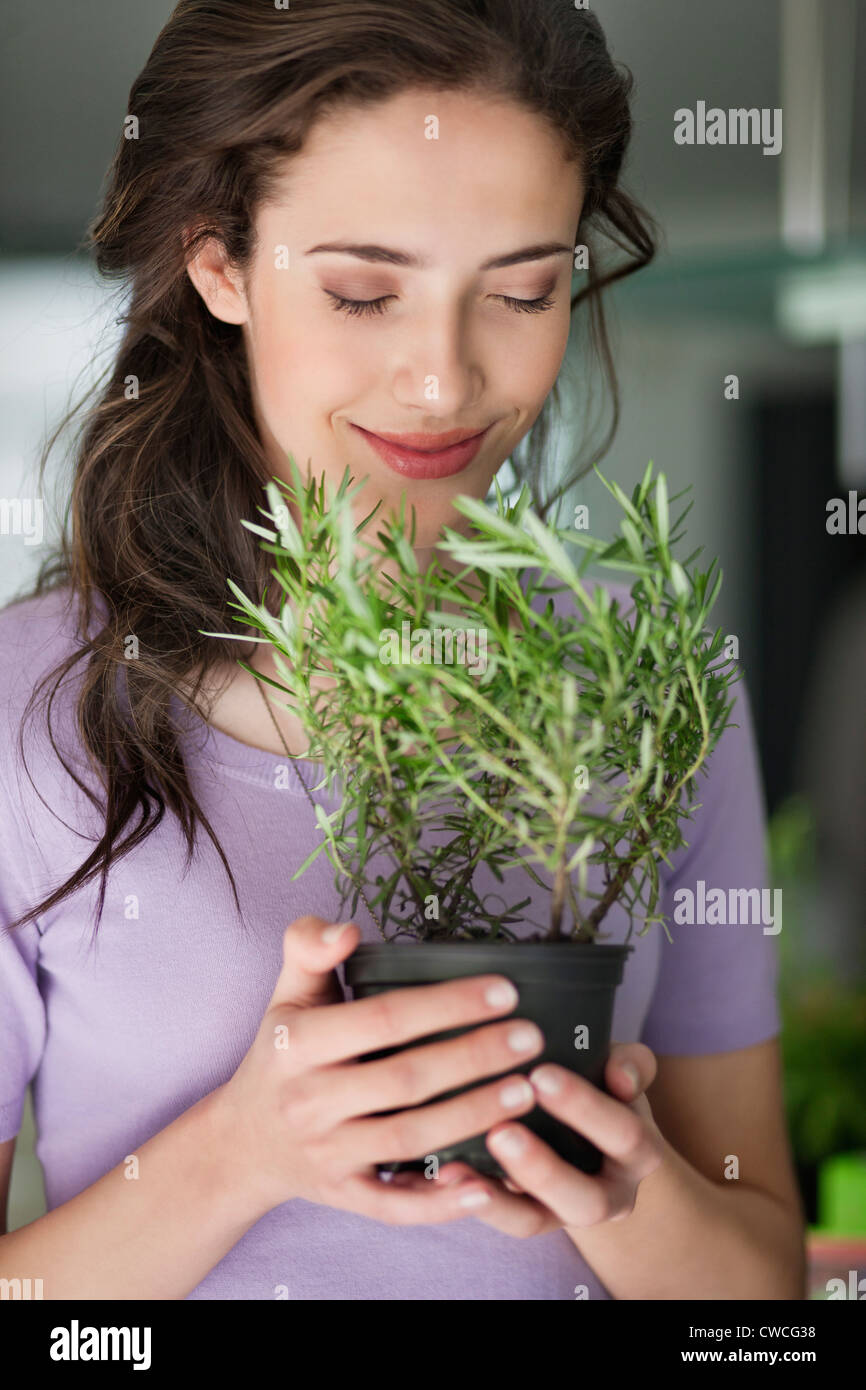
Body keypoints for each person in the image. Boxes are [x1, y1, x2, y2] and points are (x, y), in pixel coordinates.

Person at [0, 0, 805, 1300]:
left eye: (523, 288)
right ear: (216, 261)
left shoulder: (658, 690)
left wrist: (623, 1180)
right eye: (363, 290)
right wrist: (245, 1153)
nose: (443, 379)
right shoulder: (23, 709)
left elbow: (757, 1300)